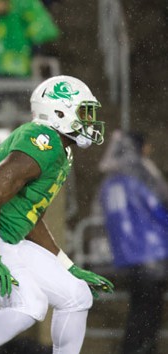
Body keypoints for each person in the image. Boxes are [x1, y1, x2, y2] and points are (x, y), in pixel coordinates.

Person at [0, 75, 115, 354]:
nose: (89, 121)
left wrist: (68, 266)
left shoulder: (59, 149)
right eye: (83, 112)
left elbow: (28, 216)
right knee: (30, 304)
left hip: (6, 240)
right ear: (58, 112)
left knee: (76, 295)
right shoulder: (42, 140)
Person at [98, 131, 168, 354]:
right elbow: (160, 205)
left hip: (128, 255)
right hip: (152, 252)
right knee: (149, 314)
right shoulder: (141, 174)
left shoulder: (110, 180)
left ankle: (133, 349)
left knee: (139, 311)